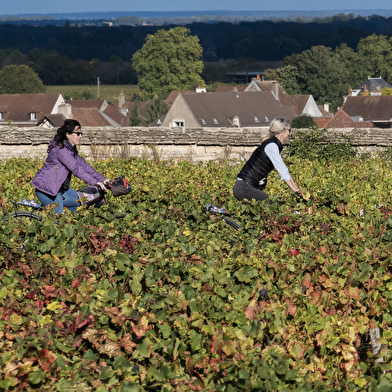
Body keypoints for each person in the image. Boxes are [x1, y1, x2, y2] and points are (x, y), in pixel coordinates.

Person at [31, 119, 109, 214]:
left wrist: (103, 179)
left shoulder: (71, 150)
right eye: (77, 133)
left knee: (82, 200)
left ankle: (72, 223)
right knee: (58, 221)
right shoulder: (61, 149)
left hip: (60, 189)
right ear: (67, 134)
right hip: (47, 190)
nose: (80, 136)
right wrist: (95, 182)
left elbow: (85, 166)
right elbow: (76, 169)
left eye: (81, 133)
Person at [233, 117, 302, 202]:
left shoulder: (274, 145)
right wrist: (295, 191)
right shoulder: (272, 146)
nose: (290, 134)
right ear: (281, 132)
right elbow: (282, 171)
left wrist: (297, 190)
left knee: (263, 209)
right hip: (244, 187)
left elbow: (285, 169)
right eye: (289, 130)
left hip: (246, 186)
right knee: (268, 204)